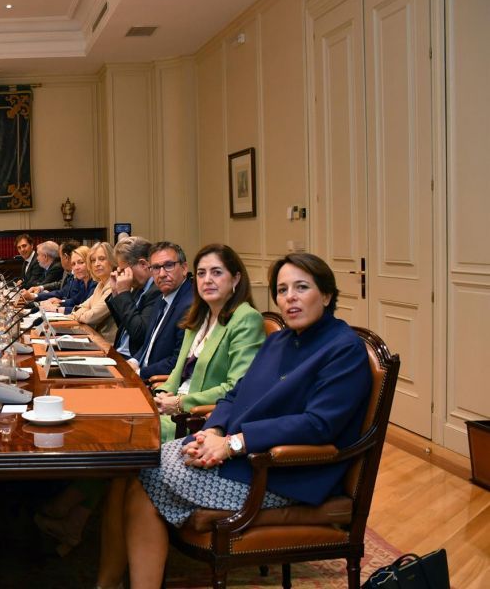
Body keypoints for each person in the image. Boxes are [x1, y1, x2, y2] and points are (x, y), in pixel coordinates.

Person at [96, 252, 372, 589]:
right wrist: (213, 428)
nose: (290, 298)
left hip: (284, 472)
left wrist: (233, 443)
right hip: (241, 455)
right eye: (282, 290)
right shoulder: (280, 340)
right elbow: (235, 393)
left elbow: (317, 425)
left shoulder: (344, 349)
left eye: (302, 287)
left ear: (326, 295)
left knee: (143, 469)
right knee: (139, 477)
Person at [151, 244, 265, 441]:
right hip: (171, 407)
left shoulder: (246, 318)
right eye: (202, 274)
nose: (208, 280)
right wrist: (161, 397)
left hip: (196, 419)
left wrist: (180, 403)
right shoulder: (197, 316)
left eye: (217, 272)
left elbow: (235, 387)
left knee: (126, 431)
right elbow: (177, 373)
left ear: (235, 278)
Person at [127, 241, 194, 380]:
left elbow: (178, 361)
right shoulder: (161, 297)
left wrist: (139, 373)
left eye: (169, 265)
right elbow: (149, 342)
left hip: (160, 384)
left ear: (184, 268)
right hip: (144, 373)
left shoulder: (190, 304)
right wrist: (133, 361)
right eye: (156, 267)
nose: (162, 274)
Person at [106, 237, 160, 357]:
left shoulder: (156, 291)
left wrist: (124, 293)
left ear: (143, 264)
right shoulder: (138, 287)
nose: (123, 275)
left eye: (125, 270)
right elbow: (124, 325)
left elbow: (138, 334)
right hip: (119, 353)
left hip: (132, 360)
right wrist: (116, 293)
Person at [68, 241, 118, 341]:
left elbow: (91, 317)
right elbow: (83, 306)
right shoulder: (100, 284)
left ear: (112, 261)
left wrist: (79, 315)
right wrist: (82, 313)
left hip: (108, 345)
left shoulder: (115, 284)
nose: (96, 264)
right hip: (94, 338)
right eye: (93, 260)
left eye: (102, 259)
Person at [39, 245, 96, 314]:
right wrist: (60, 302)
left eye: (81, 262)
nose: (76, 267)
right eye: (73, 264)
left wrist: (57, 309)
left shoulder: (95, 283)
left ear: (89, 262)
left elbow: (84, 310)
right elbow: (74, 301)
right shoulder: (83, 282)